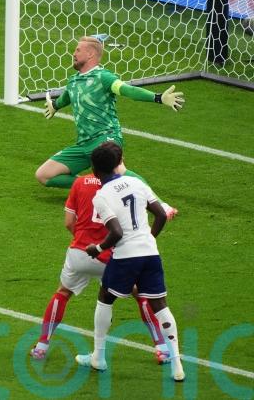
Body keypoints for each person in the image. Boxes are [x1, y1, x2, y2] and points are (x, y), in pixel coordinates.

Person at [30, 159, 169, 364]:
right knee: (140, 294)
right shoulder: (124, 186)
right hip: (110, 256)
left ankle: (41, 346)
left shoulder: (79, 183)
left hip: (80, 253)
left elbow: (69, 222)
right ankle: (162, 348)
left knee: (63, 292)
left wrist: (83, 241)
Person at [36, 36, 183, 219]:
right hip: (83, 144)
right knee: (44, 175)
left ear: (90, 54)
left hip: (106, 138)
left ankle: (161, 205)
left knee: (120, 172)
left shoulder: (104, 77)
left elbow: (129, 90)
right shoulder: (73, 81)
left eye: (78, 50)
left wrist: (158, 98)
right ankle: (97, 186)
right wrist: (55, 105)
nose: (73, 53)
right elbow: (67, 97)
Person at [75, 142, 185, 382]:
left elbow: (116, 232)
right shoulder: (137, 183)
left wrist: (98, 248)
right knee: (160, 305)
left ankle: (98, 357)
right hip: (150, 253)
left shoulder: (101, 196)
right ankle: (177, 365)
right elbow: (160, 214)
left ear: (94, 170)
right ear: (118, 163)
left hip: (126, 256)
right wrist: (149, 238)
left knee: (105, 297)